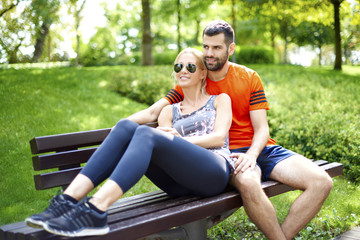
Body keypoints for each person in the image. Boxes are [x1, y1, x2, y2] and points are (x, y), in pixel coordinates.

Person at [132, 20, 333, 240]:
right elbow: (153, 113)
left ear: (231, 48)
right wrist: (123, 125)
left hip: (261, 149)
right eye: (206, 47)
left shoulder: (249, 77)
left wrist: (253, 155)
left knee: (321, 182)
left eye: (216, 48)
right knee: (248, 183)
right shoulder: (195, 77)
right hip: (228, 154)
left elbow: (262, 128)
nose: (209, 53)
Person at [25, 48, 233, 237]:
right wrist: (121, 133)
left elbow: (218, 137)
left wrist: (181, 141)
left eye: (190, 66)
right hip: (178, 184)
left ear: (203, 73)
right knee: (127, 126)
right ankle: (65, 202)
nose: (183, 70)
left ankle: (96, 208)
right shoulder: (169, 111)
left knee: (146, 133)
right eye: (178, 66)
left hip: (212, 172)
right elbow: (153, 136)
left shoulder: (219, 100)